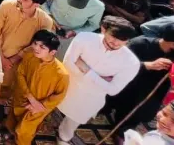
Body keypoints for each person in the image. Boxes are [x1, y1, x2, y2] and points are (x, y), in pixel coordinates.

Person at [56, 16, 140, 145]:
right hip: (65, 82)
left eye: (123, 40)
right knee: (46, 104)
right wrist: (101, 79)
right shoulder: (84, 38)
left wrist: (86, 70)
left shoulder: (131, 62)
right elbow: (68, 64)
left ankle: (63, 137)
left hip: (90, 97)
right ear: (103, 29)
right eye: (114, 36)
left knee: (74, 119)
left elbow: (113, 90)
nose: (116, 43)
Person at [105, 22, 174, 138]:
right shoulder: (140, 43)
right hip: (132, 82)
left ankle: (123, 130)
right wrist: (147, 65)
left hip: (153, 88)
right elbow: (117, 63)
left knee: (144, 110)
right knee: (118, 102)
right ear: (172, 43)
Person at [7, 30, 69, 145]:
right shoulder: (30, 56)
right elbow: (20, 73)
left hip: (37, 108)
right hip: (22, 98)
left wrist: (40, 105)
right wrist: (30, 97)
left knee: (23, 131)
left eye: (42, 47)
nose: (36, 48)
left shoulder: (61, 73)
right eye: (35, 43)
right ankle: (13, 138)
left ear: (52, 52)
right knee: (13, 121)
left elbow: (59, 96)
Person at [0, 0, 54, 98]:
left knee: (4, 92)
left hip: (15, 64)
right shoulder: (7, 5)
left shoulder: (45, 21)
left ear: (36, 4)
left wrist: (12, 60)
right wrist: (1, 58)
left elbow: (35, 46)